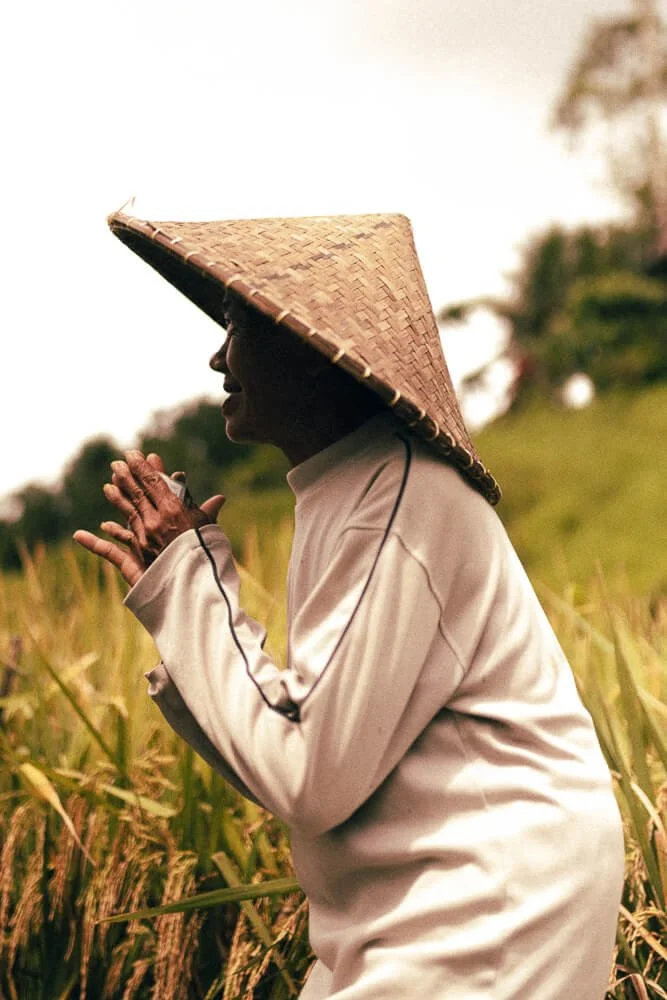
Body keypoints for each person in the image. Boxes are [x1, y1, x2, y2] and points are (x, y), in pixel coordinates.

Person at [74, 210, 624, 999]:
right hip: (428, 901)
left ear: (309, 348)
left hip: (487, 901)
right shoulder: (348, 491)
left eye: (235, 327)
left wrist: (190, 581)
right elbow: (303, 758)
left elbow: (309, 776)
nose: (216, 355)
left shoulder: (395, 499)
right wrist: (182, 581)